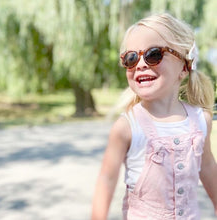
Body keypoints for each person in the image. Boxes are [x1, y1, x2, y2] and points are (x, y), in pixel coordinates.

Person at [91, 13, 217, 219]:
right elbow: (107, 179)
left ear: (184, 66)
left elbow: (209, 167)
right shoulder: (127, 127)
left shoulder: (201, 120)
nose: (140, 64)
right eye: (131, 58)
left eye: (153, 54)